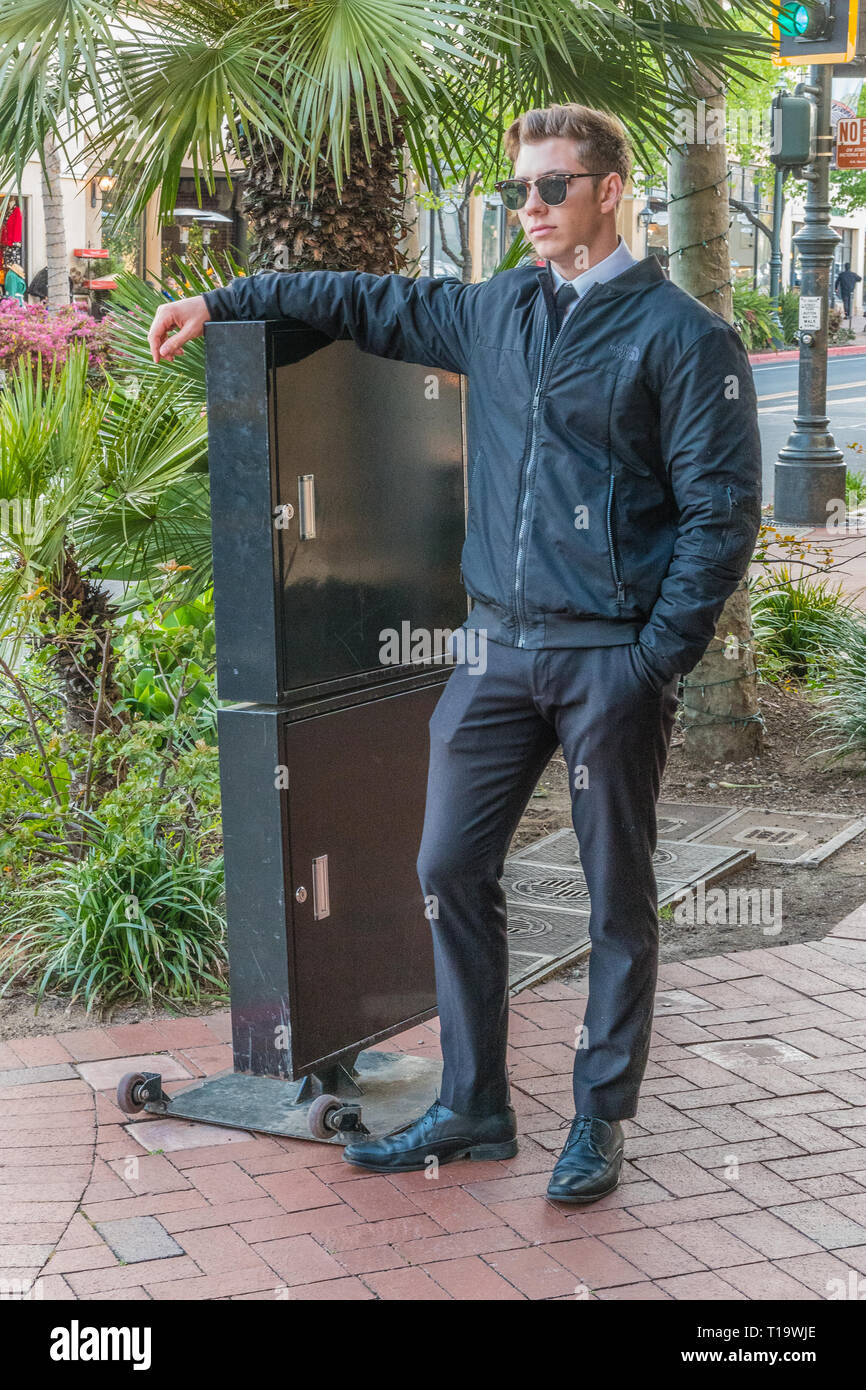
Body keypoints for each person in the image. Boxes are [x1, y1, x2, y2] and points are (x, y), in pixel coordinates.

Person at [147, 103, 762, 1205]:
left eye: (549, 188)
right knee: (443, 865)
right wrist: (223, 299)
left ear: (608, 190)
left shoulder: (679, 335)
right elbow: (361, 299)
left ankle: (598, 1117)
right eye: (515, 192)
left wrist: (651, 657)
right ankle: (474, 1102)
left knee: (614, 894)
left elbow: (722, 514)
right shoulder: (495, 311)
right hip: (494, 654)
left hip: (605, 661)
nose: (526, 209)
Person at [834, 261, 861, 326]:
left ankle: (847, 315)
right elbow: (859, 279)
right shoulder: (853, 274)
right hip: (851, 291)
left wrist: (836, 288)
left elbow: (837, 282)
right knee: (850, 302)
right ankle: (849, 314)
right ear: (850, 267)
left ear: (845, 267)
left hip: (844, 290)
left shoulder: (842, 274)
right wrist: (854, 281)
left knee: (845, 302)